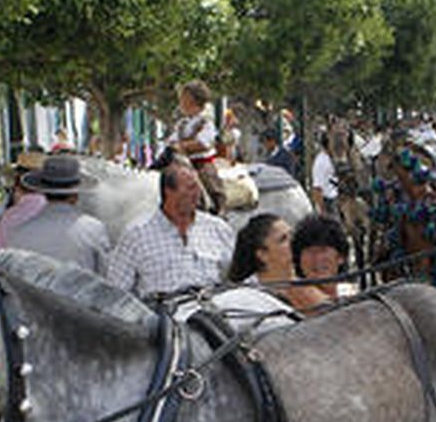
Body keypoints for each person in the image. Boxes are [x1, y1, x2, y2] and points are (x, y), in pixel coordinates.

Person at [105, 158, 234, 299]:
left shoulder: (217, 229)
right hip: (163, 312)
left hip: (212, 311)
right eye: (191, 188)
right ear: (169, 192)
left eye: (197, 187)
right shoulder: (137, 234)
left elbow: (236, 276)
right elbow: (116, 290)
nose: (197, 194)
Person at [0, 154, 112, 275]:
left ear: (44, 191)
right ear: (76, 195)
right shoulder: (94, 229)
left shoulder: (17, 234)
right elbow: (105, 279)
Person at [228, 213, 328, 313]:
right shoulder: (247, 298)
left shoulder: (303, 282)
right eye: (283, 239)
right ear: (262, 254)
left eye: (292, 235)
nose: (294, 242)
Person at [167, 80, 225, 214]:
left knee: (210, 184)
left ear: (194, 101)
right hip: (181, 162)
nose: (181, 102)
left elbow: (203, 143)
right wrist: (172, 145)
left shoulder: (205, 122)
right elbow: (172, 140)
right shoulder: (182, 124)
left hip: (200, 164)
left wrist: (183, 146)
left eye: (184, 98)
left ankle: (217, 209)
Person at [291, 213, 352, 299]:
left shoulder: (356, 303)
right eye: (310, 251)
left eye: (323, 250)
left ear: (340, 257)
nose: (317, 259)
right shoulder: (284, 308)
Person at [309, 133, 339, 216]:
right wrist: (322, 211)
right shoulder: (321, 161)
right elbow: (317, 189)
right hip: (328, 201)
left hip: (338, 199)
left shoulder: (333, 157)